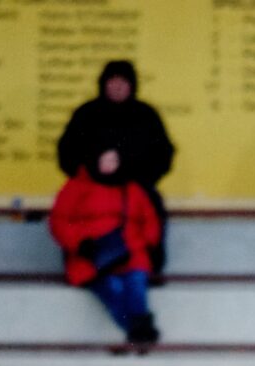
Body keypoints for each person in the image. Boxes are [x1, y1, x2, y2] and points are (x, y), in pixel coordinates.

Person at [57, 60, 175, 277]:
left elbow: (164, 155)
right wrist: (94, 168)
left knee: (152, 208)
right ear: (103, 84)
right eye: (112, 81)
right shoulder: (87, 114)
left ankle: (151, 264)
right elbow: (66, 153)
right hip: (92, 189)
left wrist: (136, 175)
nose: (117, 86)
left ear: (132, 85)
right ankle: (81, 263)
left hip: (134, 189)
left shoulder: (145, 115)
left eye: (123, 81)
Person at [49, 143, 162, 348]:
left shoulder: (131, 188)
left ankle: (138, 332)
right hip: (92, 259)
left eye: (114, 161)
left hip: (130, 254)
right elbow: (58, 222)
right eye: (106, 160)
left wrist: (147, 242)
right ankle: (138, 332)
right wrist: (80, 244)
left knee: (136, 282)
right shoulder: (75, 188)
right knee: (112, 288)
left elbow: (150, 221)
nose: (110, 166)